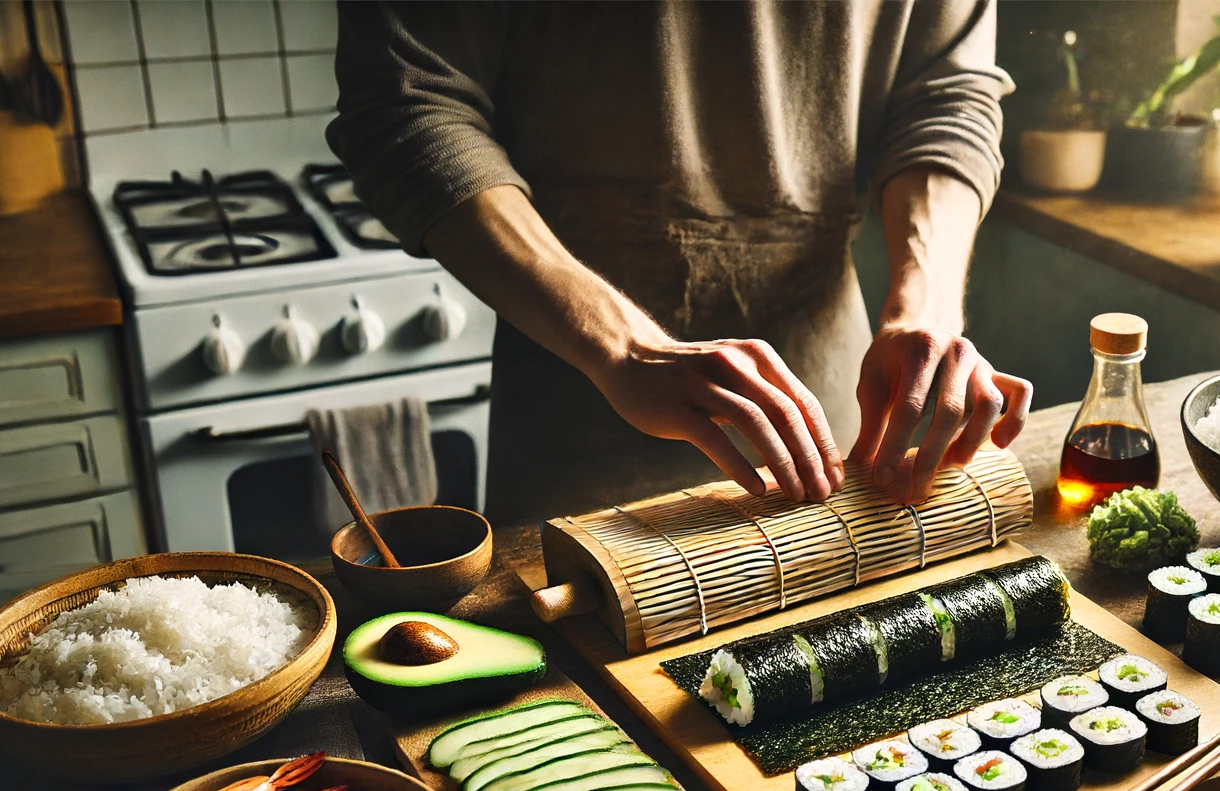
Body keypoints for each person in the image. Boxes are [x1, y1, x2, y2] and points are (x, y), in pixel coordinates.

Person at [328, 0, 1031, 521]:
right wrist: (623, 346)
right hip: (579, 384)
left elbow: (946, 95)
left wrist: (925, 310)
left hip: (834, 398)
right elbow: (406, 104)